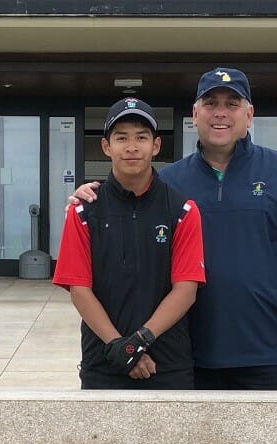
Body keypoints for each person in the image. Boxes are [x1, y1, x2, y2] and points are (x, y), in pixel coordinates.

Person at [71, 68, 277, 390]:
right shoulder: (171, 182)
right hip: (185, 353)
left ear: (249, 115)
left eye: (232, 103)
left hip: (266, 349)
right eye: (211, 103)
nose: (221, 113)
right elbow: (125, 202)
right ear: (195, 115)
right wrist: (89, 197)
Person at [53, 97, 206, 389]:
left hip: (168, 365)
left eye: (141, 137)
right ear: (106, 147)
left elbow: (186, 290)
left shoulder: (182, 210)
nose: (132, 146)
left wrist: (137, 343)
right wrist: (117, 346)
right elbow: (79, 289)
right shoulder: (84, 210)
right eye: (121, 137)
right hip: (103, 363)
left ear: (156, 145)